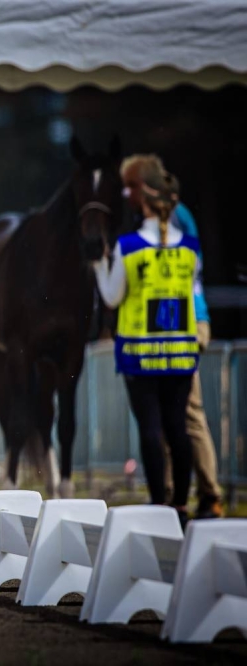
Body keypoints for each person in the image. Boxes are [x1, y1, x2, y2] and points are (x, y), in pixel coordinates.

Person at [95, 160, 197, 528]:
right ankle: (183, 504)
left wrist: (97, 266)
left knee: (151, 429)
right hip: (181, 353)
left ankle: (159, 503)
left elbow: (111, 295)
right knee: (178, 428)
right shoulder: (190, 247)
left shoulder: (130, 246)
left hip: (140, 354)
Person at [120, 155, 223, 519]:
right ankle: (178, 497)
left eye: (131, 187)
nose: (126, 194)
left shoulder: (166, 218)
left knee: (184, 417)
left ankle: (203, 495)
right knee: (176, 419)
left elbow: (183, 276)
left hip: (181, 326)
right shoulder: (174, 215)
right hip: (182, 325)